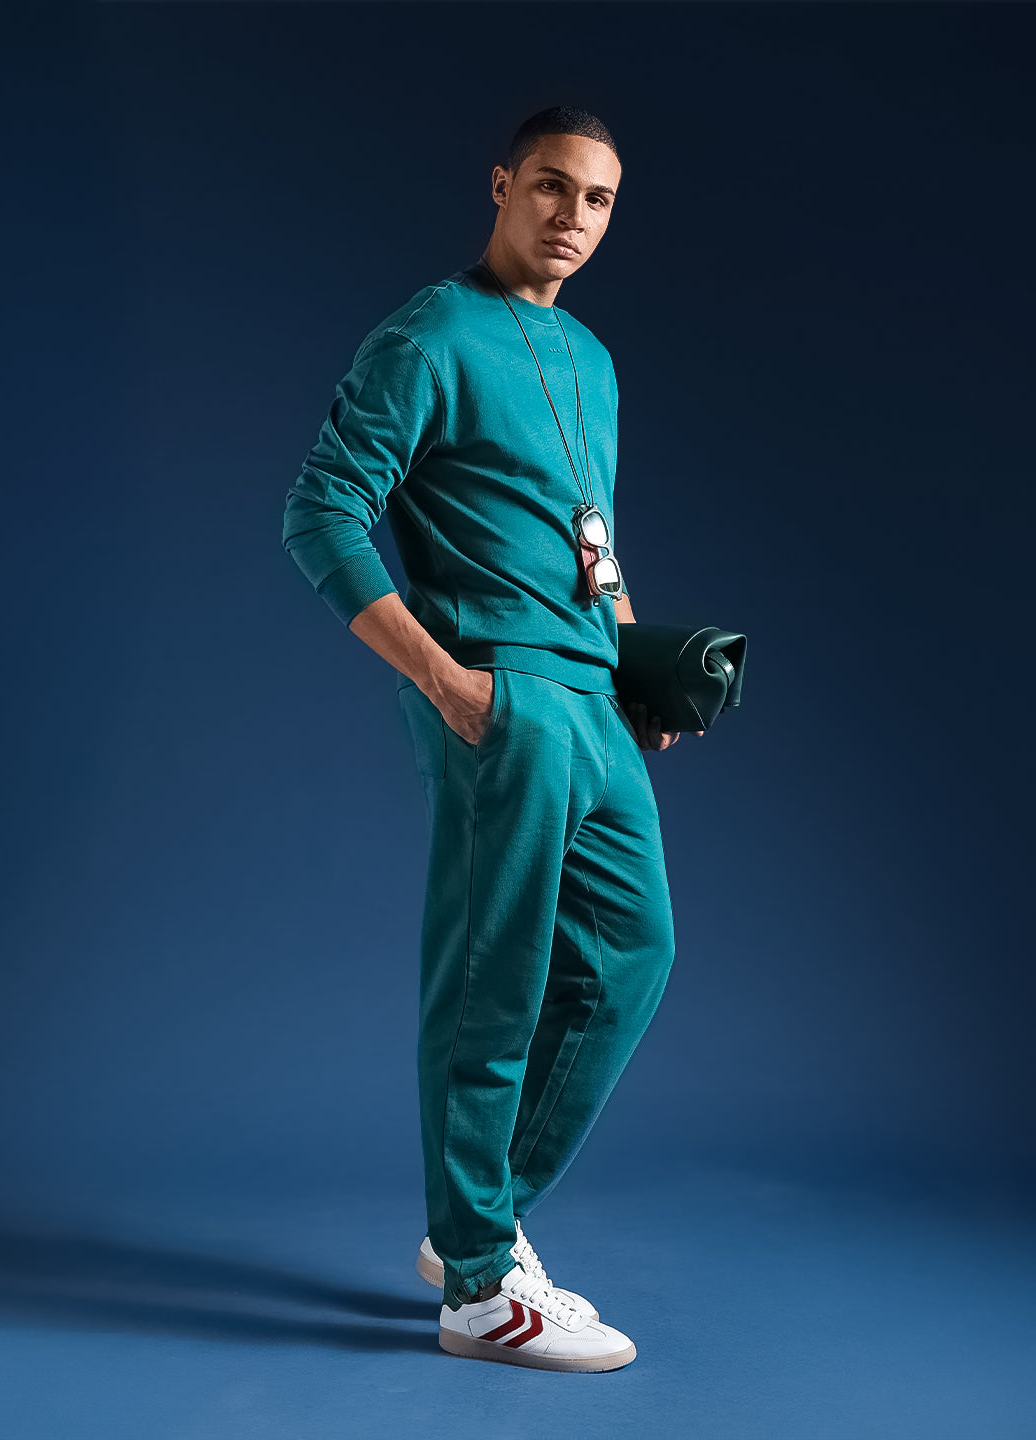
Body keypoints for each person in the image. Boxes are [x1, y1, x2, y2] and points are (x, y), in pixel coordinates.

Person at [282, 105, 702, 1373]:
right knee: (494, 981)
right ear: (503, 183)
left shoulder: (592, 359)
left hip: (594, 699)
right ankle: (478, 1289)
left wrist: (640, 667)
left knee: (631, 954)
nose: (573, 216)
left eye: (599, 199)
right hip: (501, 693)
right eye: (553, 187)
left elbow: (594, 537)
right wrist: (446, 682)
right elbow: (321, 511)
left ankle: (478, 1219)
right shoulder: (430, 335)